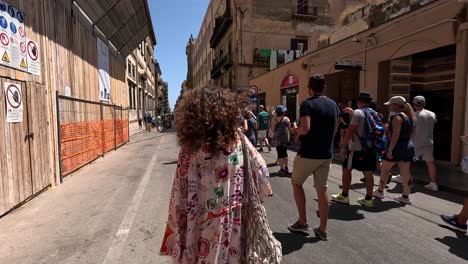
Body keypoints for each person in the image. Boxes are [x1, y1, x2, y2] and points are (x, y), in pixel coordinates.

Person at [160, 86, 273, 263]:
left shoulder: (190, 149)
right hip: (235, 224)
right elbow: (263, 178)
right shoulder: (240, 140)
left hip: (200, 226)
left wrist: (180, 233)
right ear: (226, 111)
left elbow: (179, 194)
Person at [288, 74, 339, 241]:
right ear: (323, 87)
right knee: (322, 188)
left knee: (296, 183)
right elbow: (335, 126)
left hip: (309, 153)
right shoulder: (333, 104)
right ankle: (323, 229)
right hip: (326, 153)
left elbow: (305, 128)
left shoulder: (307, 104)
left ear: (310, 88)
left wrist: (295, 129)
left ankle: (303, 222)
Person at [332, 92, 379, 208]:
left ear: (358, 102)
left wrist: (343, 146)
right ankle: (368, 199)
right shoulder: (374, 113)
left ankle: (344, 195)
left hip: (356, 149)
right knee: (368, 173)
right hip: (371, 148)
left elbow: (350, 130)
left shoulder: (358, 112)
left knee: (346, 169)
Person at [373, 96, 415, 205]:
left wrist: (390, 150)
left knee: (385, 169)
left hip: (397, 146)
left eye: (391, 104)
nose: (390, 107)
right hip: (408, 146)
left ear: (396, 105)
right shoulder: (409, 116)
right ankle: (405, 196)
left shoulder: (397, 117)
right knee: (406, 173)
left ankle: (380, 191)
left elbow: (396, 134)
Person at [412, 96, 438, 191]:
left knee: (409, 161)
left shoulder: (414, 115)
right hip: (428, 141)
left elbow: (412, 129)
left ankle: (405, 179)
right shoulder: (432, 114)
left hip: (416, 141)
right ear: (424, 104)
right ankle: (433, 183)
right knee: (430, 163)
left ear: (414, 104)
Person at [270, 105, 291, 174]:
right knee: (285, 153)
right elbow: (290, 129)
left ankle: (282, 169)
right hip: (285, 138)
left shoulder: (274, 120)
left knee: (280, 154)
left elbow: (272, 130)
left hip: (277, 139)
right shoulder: (286, 119)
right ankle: (286, 168)